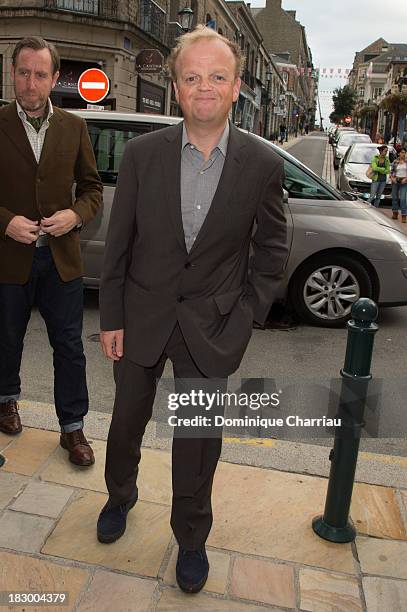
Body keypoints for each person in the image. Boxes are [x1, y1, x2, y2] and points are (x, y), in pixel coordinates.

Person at [97, 26, 287, 594]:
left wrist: (247, 315)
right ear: (177, 89)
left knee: (198, 441)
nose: (205, 87)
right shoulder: (141, 155)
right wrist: (111, 317)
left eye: (217, 77)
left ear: (235, 90)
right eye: (192, 77)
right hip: (139, 317)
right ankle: (119, 495)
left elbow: (273, 248)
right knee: (127, 420)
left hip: (213, 326)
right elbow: (119, 243)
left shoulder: (261, 163)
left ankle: (191, 537)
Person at [0, 37, 102, 466]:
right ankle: (6, 401)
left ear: (55, 78)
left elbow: (93, 190)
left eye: (40, 74)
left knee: (69, 346)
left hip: (60, 257)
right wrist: (5, 221)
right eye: (23, 72)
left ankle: (72, 428)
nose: (30, 82)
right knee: (6, 339)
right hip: (9, 256)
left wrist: (75, 217)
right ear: (12, 73)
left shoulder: (74, 127)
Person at [390, 147, 407, 222]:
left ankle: (404, 215)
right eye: (402, 152)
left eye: (404, 153)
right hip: (396, 181)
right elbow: (392, 172)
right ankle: (395, 213)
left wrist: (405, 179)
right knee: (394, 198)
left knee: (403, 199)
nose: (403, 154)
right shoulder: (395, 161)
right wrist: (393, 178)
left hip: (404, 181)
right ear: (399, 153)